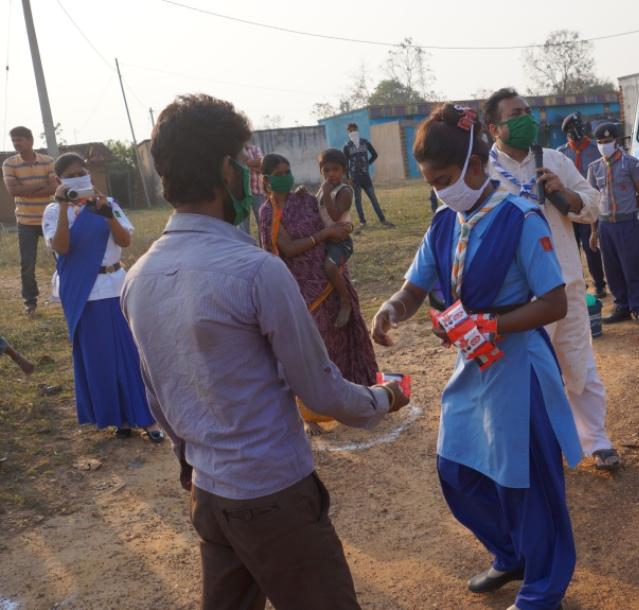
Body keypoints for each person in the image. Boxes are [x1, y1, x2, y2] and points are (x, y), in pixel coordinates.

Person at [122, 94, 409, 610]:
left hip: (209, 493)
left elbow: (158, 396)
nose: (252, 175)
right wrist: (383, 398)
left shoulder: (139, 277)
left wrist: (190, 463)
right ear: (224, 170)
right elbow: (319, 388)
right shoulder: (256, 271)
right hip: (273, 492)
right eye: (245, 162)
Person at [372, 103, 582, 610]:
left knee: (525, 480)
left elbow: (554, 303)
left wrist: (491, 324)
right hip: (473, 363)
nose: (439, 191)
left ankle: (542, 590)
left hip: (518, 365)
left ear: (473, 165)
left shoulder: (520, 218)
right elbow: (415, 286)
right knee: (458, 469)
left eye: (443, 180)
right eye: (431, 184)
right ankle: (511, 553)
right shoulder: (446, 223)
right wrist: (391, 308)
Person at [484, 88, 622, 471]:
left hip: (566, 284)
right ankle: (538, 451)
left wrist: (568, 196)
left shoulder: (555, 160)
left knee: (579, 365)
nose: (526, 119)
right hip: (517, 298)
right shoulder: (483, 174)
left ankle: (596, 441)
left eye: (528, 111)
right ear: (495, 128)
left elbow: (593, 204)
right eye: (516, 114)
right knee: (527, 376)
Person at [43, 152, 163, 442]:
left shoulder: (107, 204)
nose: (78, 178)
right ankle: (119, 418)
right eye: (70, 175)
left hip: (115, 285)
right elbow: (62, 248)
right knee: (100, 358)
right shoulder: (52, 212)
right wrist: (63, 207)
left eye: (81, 173)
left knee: (129, 353)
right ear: (59, 180)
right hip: (82, 292)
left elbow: (124, 240)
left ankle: (147, 419)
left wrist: (107, 214)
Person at [257, 152, 379, 434]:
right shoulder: (268, 213)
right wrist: (324, 235)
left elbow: (331, 217)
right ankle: (310, 414)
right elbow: (287, 248)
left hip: (330, 281)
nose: (286, 177)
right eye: (279, 174)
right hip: (300, 288)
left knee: (343, 338)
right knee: (312, 349)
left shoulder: (304, 199)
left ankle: (355, 401)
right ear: (266, 180)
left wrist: (341, 229)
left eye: (287, 171)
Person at [587, 122, 639, 329]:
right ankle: (621, 306)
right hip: (605, 225)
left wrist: (629, 209)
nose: (603, 145)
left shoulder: (631, 164)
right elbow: (592, 201)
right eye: (600, 142)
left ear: (616, 141)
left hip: (626, 223)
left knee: (631, 267)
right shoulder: (594, 168)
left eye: (607, 141)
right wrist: (593, 231)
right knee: (612, 270)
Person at [3, 126, 58, 317]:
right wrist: (42, 184)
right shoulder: (9, 164)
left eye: (19, 139)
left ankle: (68, 292)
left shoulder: (48, 161)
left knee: (62, 258)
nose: (16, 143)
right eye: (13, 140)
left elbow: (54, 188)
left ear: (30, 140)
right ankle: (30, 303)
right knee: (27, 264)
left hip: (49, 219)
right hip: (25, 221)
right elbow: (13, 191)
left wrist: (25, 189)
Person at [557, 112, 606, 298]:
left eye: (579, 128)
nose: (578, 133)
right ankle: (578, 284)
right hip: (568, 208)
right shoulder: (560, 154)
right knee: (570, 249)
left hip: (588, 206)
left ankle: (599, 283)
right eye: (573, 130)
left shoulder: (595, 149)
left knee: (591, 247)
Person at [316, 148, 357, 327]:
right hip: (326, 238)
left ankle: (345, 302)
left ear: (343, 170)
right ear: (321, 172)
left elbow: (334, 216)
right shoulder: (323, 189)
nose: (331, 174)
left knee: (330, 267)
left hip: (341, 242)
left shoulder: (344, 191)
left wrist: (326, 193)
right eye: (326, 170)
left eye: (335, 169)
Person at [343, 122, 394, 228]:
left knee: (373, 199)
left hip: (366, 177)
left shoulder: (365, 143)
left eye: (354, 130)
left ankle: (382, 220)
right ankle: (362, 222)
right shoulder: (347, 146)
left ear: (357, 130)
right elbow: (345, 163)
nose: (352, 132)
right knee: (358, 200)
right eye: (350, 131)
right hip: (354, 178)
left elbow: (375, 155)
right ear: (348, 133)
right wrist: (347, 178)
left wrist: (368, 163)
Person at [242, 140, 265, 239]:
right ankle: (245, 246)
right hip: (241, 193)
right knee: (243, 226)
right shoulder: (234, 151)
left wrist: (247, 163)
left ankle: (264, 245)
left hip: (258, 190)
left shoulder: (255, 149)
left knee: (262, 222)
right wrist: (254, 165)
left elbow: (262, 165)